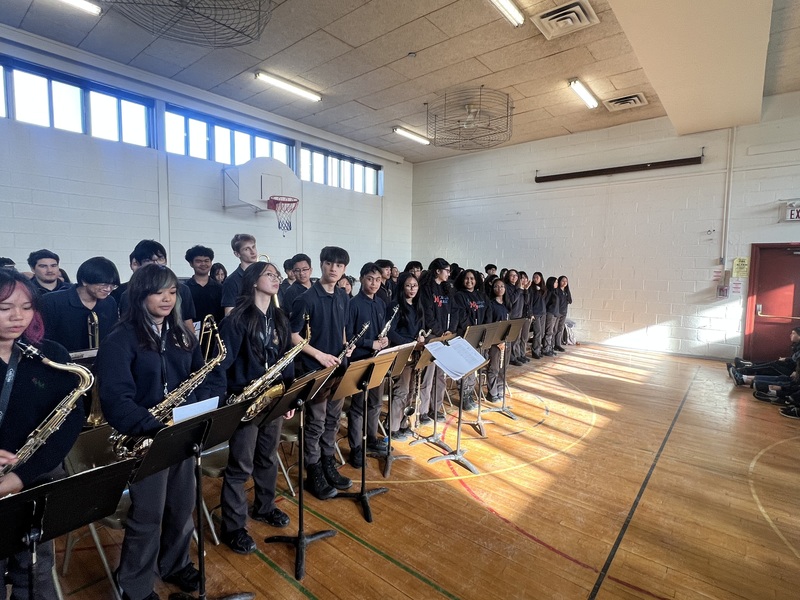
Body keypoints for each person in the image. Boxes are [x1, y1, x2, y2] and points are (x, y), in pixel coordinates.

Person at [97, 265, 211, 600]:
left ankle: (175, 564)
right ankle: (134, 585)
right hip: (146, 439)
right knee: (147, 516)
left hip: (181, 433)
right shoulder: (120, 339)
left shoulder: (180, 333)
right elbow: (116, 400)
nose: (167, 298)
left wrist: (198, 413)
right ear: (140, 294)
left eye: (173, 292)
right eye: (158, 291)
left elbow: (202, 376)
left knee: (182, 504)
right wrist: (159, 428)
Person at [0, 269, 85, 600]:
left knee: (35, 568)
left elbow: (66, 426)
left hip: (34, 479)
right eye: (5, 307)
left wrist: (20, 476)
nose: (18, 317)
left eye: (26, 306)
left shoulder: (51, 355)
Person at [206, 262, 294, 555]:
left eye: (277, 275)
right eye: (270, 274)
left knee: (268, 457)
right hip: (244, 401)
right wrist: (224, 406)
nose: (276, 279)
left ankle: (264, 507)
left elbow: (287, 360)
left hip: (273, 399)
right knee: (240, 466)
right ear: (254, 281)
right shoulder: (236, 320)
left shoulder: (280, 317)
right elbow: (221, 367)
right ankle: (233, 527)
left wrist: (288, 398)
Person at [289, 246, 353, 500]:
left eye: (339, 265)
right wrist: (319, 355)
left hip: (338, 369)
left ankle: (328, 462)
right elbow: (292, 336)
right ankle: (313, 470)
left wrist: (348, 345)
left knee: (333, 421)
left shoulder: (342, 296)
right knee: (315, 423)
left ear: (344, 269)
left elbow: (343, 328)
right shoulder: (306, 298)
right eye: (329, 264)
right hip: (315, 370)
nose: (334, 269)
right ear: (322, 265)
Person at [345, 263, 389, 467]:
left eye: (378, 280)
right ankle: (356, 447)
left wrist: (384, 340)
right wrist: (369, 343)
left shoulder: (380, 303)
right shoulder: (353, 304)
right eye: (370, 279)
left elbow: (381, 332)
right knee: (357, 407)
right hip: (360, 360)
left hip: (377, 360)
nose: (374, 283)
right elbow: (348, 336)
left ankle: (370, 438)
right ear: (362, 279)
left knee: (375, 403)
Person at [39, 256, 120, 352]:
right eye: (103, 284)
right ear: (84, 281)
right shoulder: (52, 301)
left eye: (112, 285)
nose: (108, 289)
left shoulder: (109, 302)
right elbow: (42, 339)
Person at [116, 240, 196, 331]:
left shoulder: (182, 289)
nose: (156, 264)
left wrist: (192, 343)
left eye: (160, 259)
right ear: (138, 264)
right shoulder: (128, 294)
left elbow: (188, 322)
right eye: (148, 260)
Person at [386, 272, 426, 440]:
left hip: (415, 353)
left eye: (414, 285)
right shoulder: (395, 306)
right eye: (408, 285)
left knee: (411, 391)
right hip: (402, 353)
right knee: (401, 391)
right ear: (402, 286)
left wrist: (421, 339)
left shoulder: (417, 306)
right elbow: (390, 332)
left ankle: (403, 424)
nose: (412, 289)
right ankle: (392, 428)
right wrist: (410, 343)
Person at [418, 258, 452, 423]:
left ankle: (435, 408)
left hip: (444, 335)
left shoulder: (445, 289)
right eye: (446, 270)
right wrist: (440, 332)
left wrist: (448, 331)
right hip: (432, 336)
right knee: (428, 376)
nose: (448, 273)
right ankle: (423, 411)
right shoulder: (426, 289)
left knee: (440, 375)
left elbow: (449, 312)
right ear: (438, 270)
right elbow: (428, 315)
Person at [452, 268, 490, 410]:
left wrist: (484, 329)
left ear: (476, 280)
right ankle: (464, 396)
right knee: (466, 368)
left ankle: (470, 393)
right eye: (467, 278)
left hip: (480, 335)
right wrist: (472, 330)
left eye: (472, 278)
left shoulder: (482, 296)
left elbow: (488, 312)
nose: (469, 281)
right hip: (466, 336)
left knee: (475, 367)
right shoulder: (459, 296)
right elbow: (461, 317)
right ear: (462, 280)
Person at [222, 233, 259, 315]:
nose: (253, 252)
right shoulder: (231, 281)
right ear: (237, 254)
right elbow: (229, 314)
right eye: (246, 249)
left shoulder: (262, 275)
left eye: (253, 247)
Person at [184, 245, 224, 322]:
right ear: (191, 264)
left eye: (206, 261)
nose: (203, 264)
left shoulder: (220, 288)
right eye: (198, 261)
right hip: (191, 331)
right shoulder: (185, 289)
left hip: (216, 332)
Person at [487, 277, 511, 402]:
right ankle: (492, 392)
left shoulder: (507, 304)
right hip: (495, 341)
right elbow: (491, 325)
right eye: (496, 286)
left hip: (506, 340)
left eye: (502, 286)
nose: (499, 288)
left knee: (504, 368)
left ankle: (500, 389)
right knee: (494, 368)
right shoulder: (491, 304)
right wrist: (498, 341)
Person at [504, 270, 527, 365]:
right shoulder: (507, 287)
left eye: (516, 276)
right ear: (508, 277)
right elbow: (512, 300)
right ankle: (511, 358)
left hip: (519, 315)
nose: (514, 277)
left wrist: (525, 290)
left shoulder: (518, 287)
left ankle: (516, 356)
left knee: (517, 339)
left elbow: (525, 301)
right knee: (512, 339)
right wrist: (519, 290)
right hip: (512, 316)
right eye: (512, 275)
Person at [528, 272, 547, 359]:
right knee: (537, 332)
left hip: (543, 313)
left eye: (537, 277)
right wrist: (531, 313)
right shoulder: (531, 289)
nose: (535, 279)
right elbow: (530, 302)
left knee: (542, 333)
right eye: (534, 277)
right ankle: (535, 351)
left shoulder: (543, 289)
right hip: (535, 313)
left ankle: (538, 349)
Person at [543, 276, 560, 357]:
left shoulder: (555, 292)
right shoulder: (549, 292)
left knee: (552, 332)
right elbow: (545, 303)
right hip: (550, 314)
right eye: (555, 282)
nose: (557, 283)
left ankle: (550, 348)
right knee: (549, 332)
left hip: (555, 314)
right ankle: (546, 349)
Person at [555, 275, 572, 351]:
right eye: (563, 281)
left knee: (560, 329)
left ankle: (558, 344)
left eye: (566, 281)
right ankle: (552, 344)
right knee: (554, 329)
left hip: (564, 313)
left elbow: (570, 301)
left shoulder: (566, 291)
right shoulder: (557, 291)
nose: (565, 282)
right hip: (557, 313)